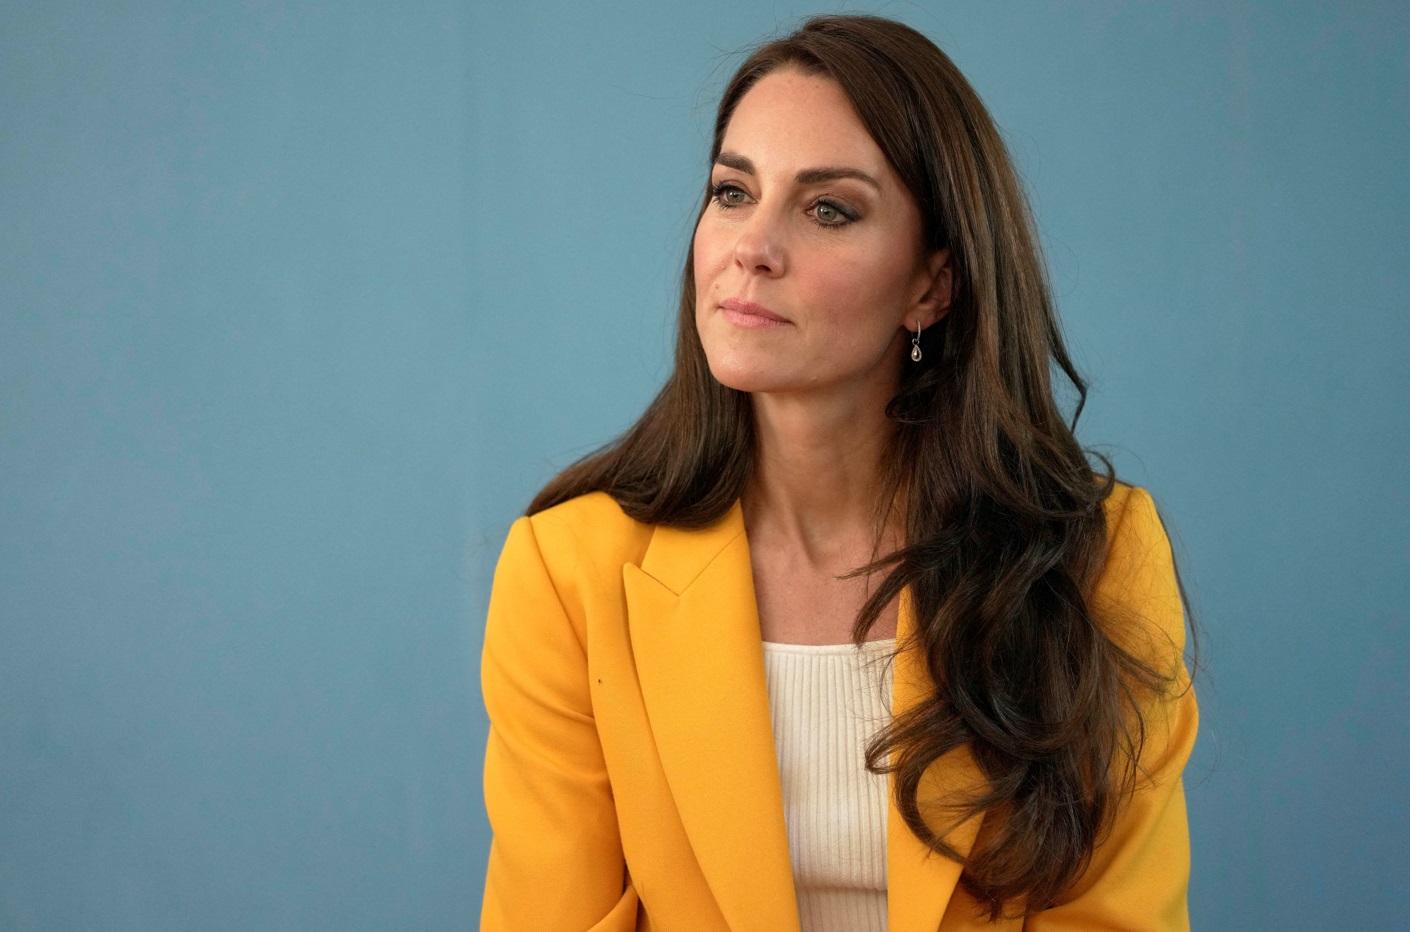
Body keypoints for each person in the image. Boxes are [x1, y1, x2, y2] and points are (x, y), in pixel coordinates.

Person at [479, 13, 1200, 931]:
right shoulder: (568, 573)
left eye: (827, 209)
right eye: (732, 192)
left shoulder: (1096, 560)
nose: (751, 247)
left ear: (931, 286)